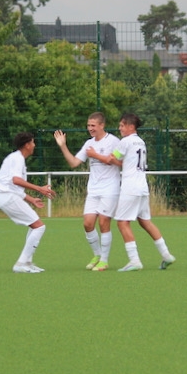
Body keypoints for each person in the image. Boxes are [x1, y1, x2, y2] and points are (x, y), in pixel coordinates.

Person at [90, 113, 175, 272]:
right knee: (145, 222)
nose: (120, 128)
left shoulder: (125, 141)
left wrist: (94, 154)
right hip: (142, 187)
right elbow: (124, 162)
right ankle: (166, 255)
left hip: (130, 188)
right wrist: (116, 161)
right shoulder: (140, 142)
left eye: (122, 125)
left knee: (122, 222)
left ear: (131, 126)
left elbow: (110, 159)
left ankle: (134, 261)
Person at [53, 113, 121, 272]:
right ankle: (97, 255)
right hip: (94, 190)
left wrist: (96, 155)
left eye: (93, 125)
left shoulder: (113, 141)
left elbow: (120, 162)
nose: (90, 128)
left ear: (102, 125)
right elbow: (74, 163)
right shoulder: (89, 143)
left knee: (103, 223)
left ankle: (104, 261)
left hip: (110, 188)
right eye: (88, 125)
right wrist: (63, 145)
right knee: (88, 223)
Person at [0, 132, 57, 273]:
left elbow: (13, 186)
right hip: (7, 197)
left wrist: (31, 199)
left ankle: (27, 262)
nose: (34, 145)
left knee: (35, 226)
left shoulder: (16, 158)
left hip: (7, 196)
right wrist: (39, 188)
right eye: (33, 142)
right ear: (27, 145)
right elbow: (16, 180)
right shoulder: (17, 159)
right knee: (39, 227)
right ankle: (21, 263)